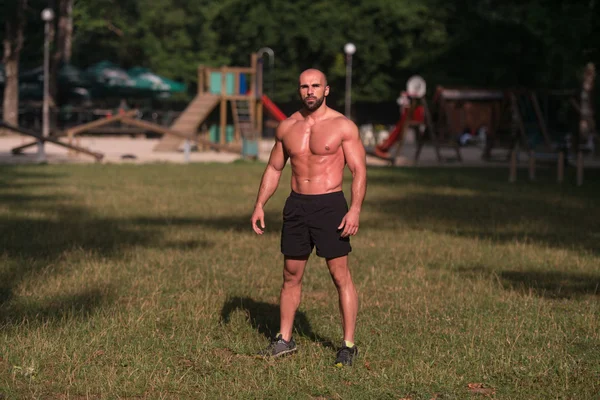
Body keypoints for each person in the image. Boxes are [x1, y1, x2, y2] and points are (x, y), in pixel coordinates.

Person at [250, 68, 367, 367]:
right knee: (291, 274)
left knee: (340, 276)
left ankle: (348, 344)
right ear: (299, 90)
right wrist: (260, 204)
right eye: (304, 86)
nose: (310, 91)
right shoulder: (287, 126)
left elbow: (359, 171)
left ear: (326, 90)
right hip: (297, 205)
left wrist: (354, 209)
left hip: (330, 206)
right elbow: (275, 168)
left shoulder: (343, 126)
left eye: (316, 86)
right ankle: (284, 340)